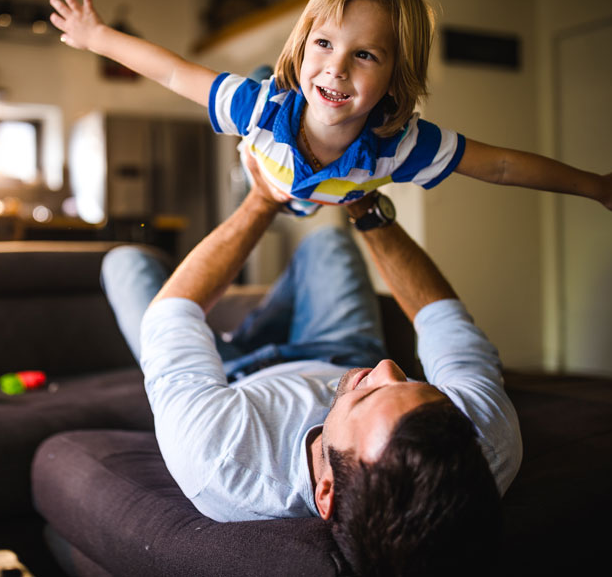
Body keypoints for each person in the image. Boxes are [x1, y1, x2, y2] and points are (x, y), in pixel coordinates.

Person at [100, 154, 522, 575]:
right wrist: (363, 200)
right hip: (339, 349)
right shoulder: (484, 440)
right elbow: (443, 320)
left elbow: (171, 314)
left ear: (326, 492)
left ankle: (234, 336)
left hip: (231, 382)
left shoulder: (222, 457)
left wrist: (263, 199)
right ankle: (259, 326)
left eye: (369, 397)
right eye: (413, 383)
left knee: (125, 262)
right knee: (328, 241)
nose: (388, 365)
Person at [50, 0, 612, 218]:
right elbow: (173, 72)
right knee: (260, 159)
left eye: (364, 55)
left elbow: (500, 165)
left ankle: (339, 199)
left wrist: (595, 186)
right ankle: (277, 182)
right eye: (324, 45)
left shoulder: (406, 145)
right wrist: (96, 35)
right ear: (303, 45)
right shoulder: (260, 107)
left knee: (348, 205)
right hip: (270, 163)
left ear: (395, 76)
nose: (336, 69)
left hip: (339, 189)